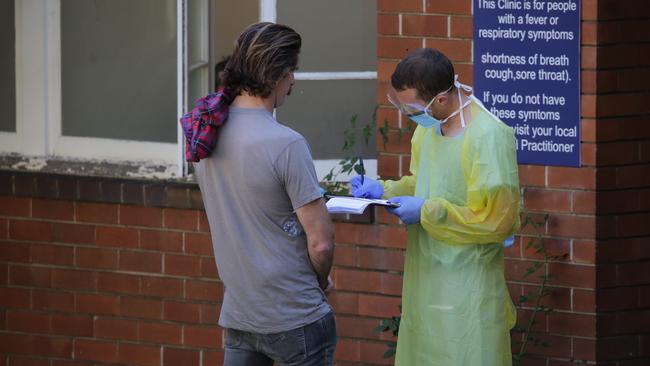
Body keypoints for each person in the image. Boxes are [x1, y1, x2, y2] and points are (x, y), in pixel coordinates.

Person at [350, 48, 520, 365]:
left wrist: (428, 211)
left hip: (469, 282)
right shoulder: (429, 130)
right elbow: (425, 181)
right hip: (426, 276)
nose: (408, 114)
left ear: (440, 99)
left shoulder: (487, 137)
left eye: (412, 107)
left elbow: (499, 220)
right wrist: (383, 190)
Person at [188, 22, 336, 365]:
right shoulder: (286, 143)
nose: (294, 81)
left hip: (240, 313)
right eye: (291, 71)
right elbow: (321, 242)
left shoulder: (204, 136)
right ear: (274, 76)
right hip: (295, 315)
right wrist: (319, 278)